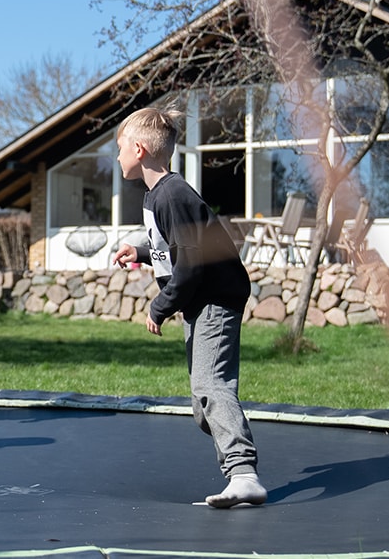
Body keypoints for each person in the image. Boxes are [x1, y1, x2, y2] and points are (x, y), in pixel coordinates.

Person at [109, 106, 266, 509]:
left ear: (139, 149)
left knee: (212, 386)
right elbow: (172, 247)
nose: (118, 155)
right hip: (199, 302)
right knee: (202, 405)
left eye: (120, 147)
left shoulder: (173, 194)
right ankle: (237, 462)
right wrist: (141, 251)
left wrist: (159, 306)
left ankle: (243, 473)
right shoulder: (157, 196)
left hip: (214, 297)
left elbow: (192, 261)